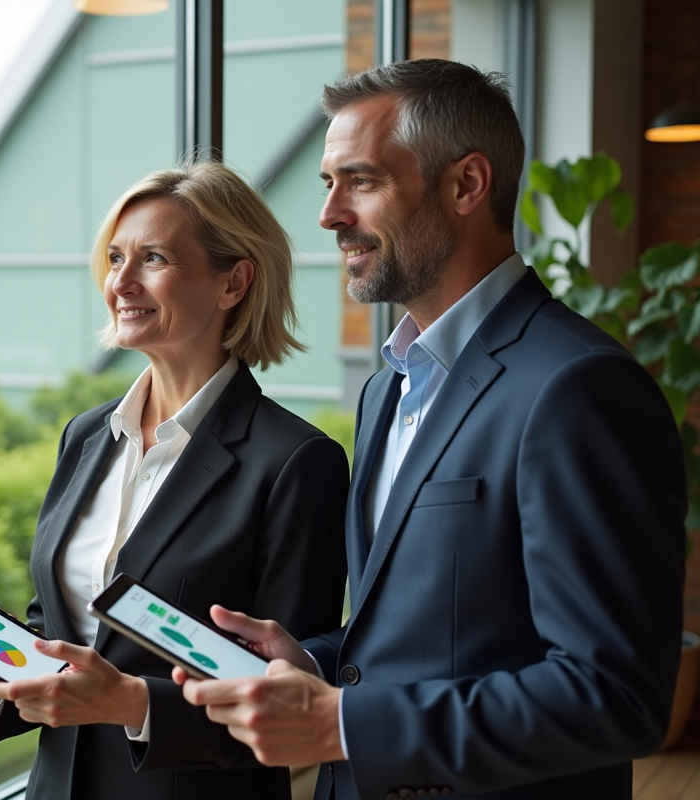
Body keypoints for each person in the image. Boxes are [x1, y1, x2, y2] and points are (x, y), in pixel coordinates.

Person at [175, 59, 688, 800]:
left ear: (466, 185)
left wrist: (343, 725)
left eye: (362, 181)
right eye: (328, 184)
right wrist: (315, 664)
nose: (329, 215)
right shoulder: (389, 386)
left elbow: (616, 694)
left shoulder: (578, 387)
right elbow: (427, 636)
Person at [0, 160, 349, 799]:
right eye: (115, 258)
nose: (122, 282)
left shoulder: (296, 462)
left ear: (234, 283)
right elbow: (59, 627)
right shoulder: (87, 436)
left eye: (155, 259)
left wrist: (133, 705)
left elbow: (289, 705)